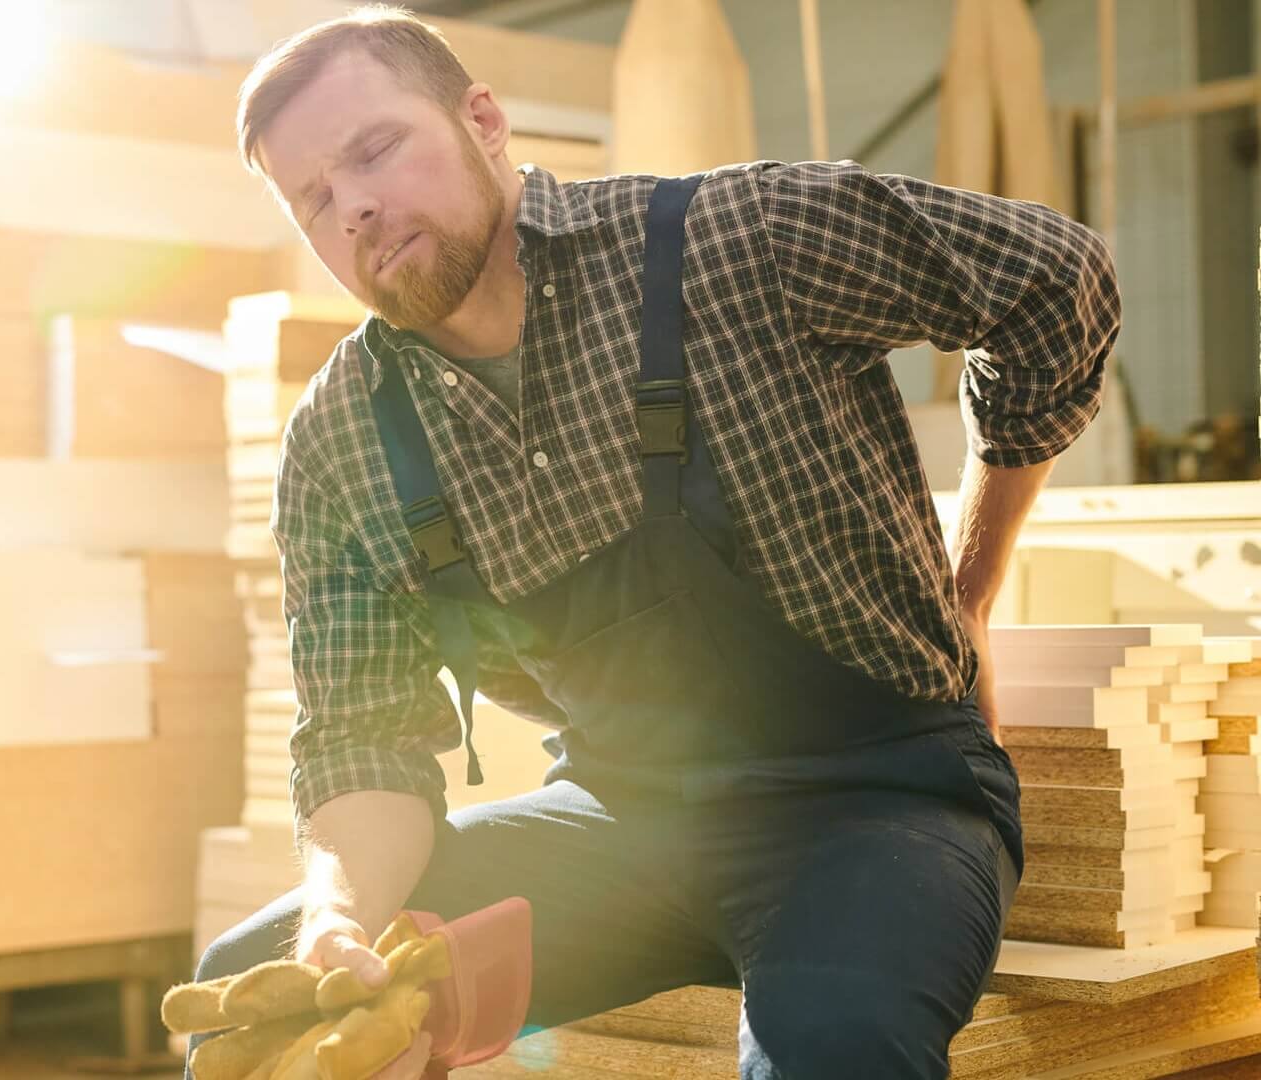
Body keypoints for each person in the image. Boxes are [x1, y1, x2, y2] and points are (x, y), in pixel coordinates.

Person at [192, 6, 1119, 1078]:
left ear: (482, 120)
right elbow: (363, 742)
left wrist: (973, 584)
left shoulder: (735, 239)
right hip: (619, 821)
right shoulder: (343, 441)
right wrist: (339, 926)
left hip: (880, 803)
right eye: (314, 197)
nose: (352, 202)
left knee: (833, 1051)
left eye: (375, 148)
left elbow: (1055, 280)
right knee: (256, 1007)